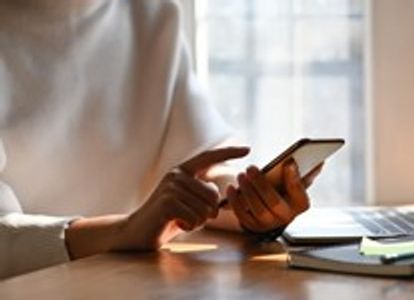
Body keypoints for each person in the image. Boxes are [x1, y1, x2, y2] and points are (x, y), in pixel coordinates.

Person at [0, 0, 320, 278]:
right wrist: (125, 230)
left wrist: (250, 202)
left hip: (135, 279)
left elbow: (197, 162)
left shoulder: (153, 15)